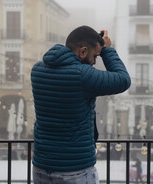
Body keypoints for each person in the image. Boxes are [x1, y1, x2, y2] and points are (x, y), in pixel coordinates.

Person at [31, 26, 131, 184]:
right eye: (95, 55)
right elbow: (123, 80)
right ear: (83, 51)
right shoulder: (83, 76)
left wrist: (99, 47)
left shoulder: (37, 70)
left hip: (41, 168)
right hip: (74, 170)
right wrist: (107, 50)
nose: (94, 61)